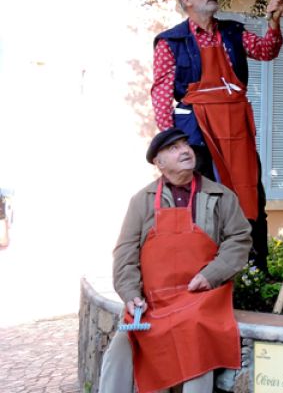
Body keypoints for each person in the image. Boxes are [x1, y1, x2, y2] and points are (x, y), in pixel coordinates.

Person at [98, 128, 252, 393]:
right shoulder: (141, 201)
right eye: (173, 148)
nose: (184, 150)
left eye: (185, 145)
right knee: (123, 343)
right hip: (153, 301)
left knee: (195, 343)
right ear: (159, 163)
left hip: (201, 297)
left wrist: (211, 275)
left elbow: (239, 240)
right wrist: (131, 294)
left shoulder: (222, 196)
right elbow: (125, 253)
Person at [151, 0, 283, 270]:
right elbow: (161, 92)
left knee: (250, 194)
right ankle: (203, 268)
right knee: (202, 200)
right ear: (187, 0)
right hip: (196, 131)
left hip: (236, 127)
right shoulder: (170, 42)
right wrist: (173, 144)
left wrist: (273, 23)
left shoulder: (233, 33)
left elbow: (266, 50)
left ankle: (255, 268)